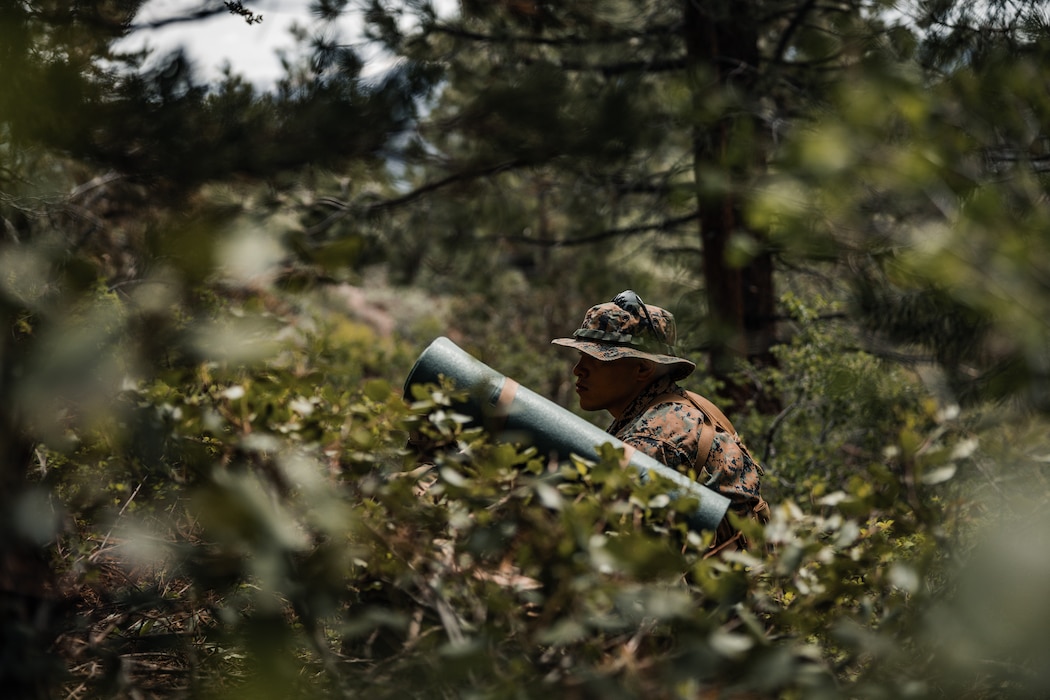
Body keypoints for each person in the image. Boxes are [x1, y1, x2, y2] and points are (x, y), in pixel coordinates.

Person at [552, 290, 769, 553]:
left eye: (597, 358)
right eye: (581, 356)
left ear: (643, 369)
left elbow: (624, 551)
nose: (578, 369)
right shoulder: (687, 405)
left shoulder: (655, 436)